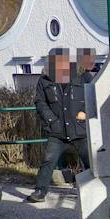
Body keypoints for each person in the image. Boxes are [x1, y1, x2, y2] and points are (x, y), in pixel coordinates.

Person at [27, 52, 91, 203]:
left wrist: (86, 112)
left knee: (91, 160)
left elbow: (94, 96)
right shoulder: (44, 81)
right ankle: (40, 191)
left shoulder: (83, 77)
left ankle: (96, 189)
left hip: (79, 129)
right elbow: (40, 102)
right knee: (48, 160)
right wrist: (52, 120)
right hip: (57, 131)